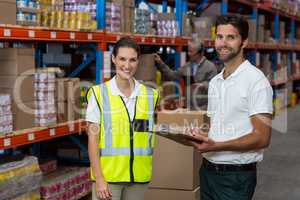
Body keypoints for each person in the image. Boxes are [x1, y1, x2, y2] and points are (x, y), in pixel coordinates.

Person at [188, 14, 273, 200]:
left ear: (244, 42)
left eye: (231, 37)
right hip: (208, 171)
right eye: (219, 37)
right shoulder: (216, 82)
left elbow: (262, 138)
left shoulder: (256, 81)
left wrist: (217, 146)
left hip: (236, 178)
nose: (223, 43)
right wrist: (202, 135)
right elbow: (216, 126)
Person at [86, 37, 159, 200]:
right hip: (109, 179)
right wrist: (99, 179)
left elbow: (145, 131)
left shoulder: (150, 95)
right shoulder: (98, 94)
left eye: (132, 60)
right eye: (122, 59)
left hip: (139, 179)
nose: (127, 65)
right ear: (113, 59)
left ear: (138, 61)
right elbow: (93, 139)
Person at [154, 37, 217, 110]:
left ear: (200, 53)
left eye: (191, 52)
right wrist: (160, 62)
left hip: (204, 109)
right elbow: (172, 76)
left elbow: (215, 87)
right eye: (188, 51)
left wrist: (202, 85)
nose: (189, 54)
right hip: (189, 108)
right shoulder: (187, 66)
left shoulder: (210, 67)